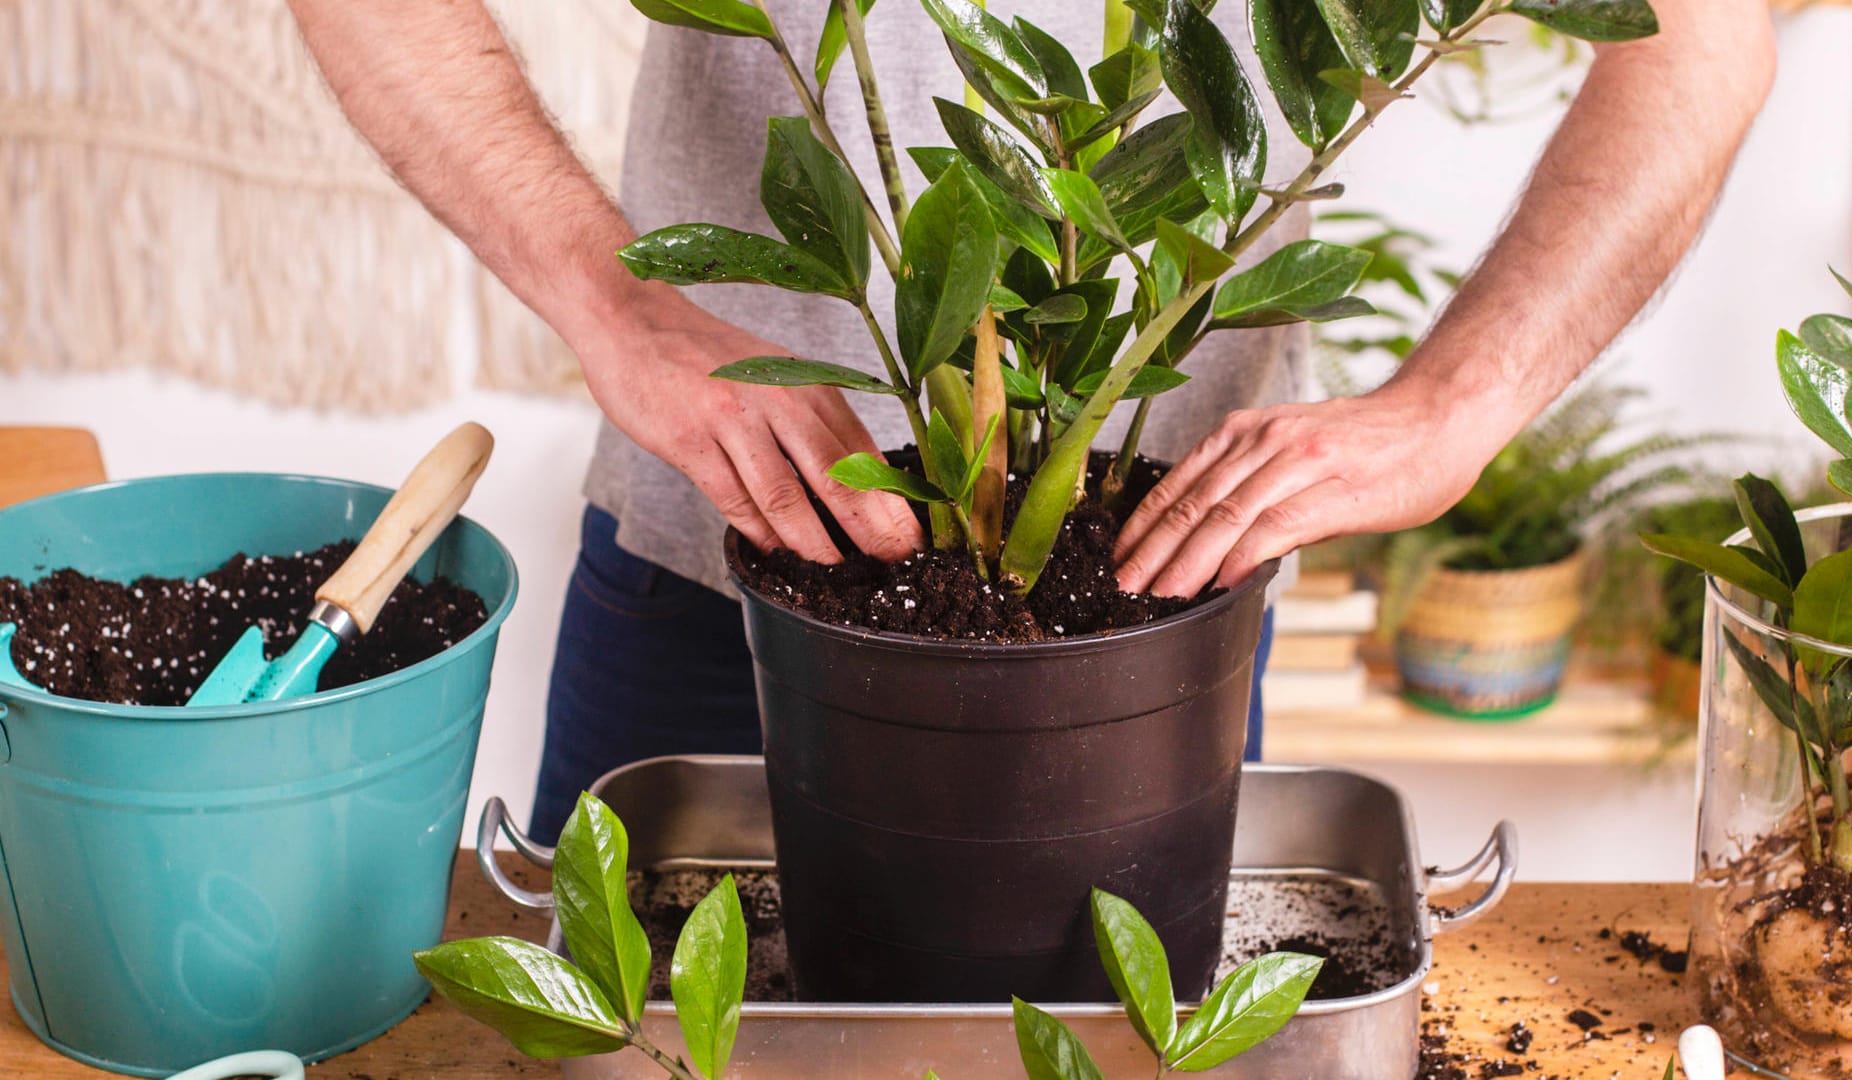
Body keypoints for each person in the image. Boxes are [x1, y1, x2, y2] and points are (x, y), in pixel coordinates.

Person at [289, 0, 1776, 843]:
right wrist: (619, 305)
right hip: (714, 571)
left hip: (1143, 624)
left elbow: (1704, 36)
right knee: (624, 1045)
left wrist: (1461, 405)